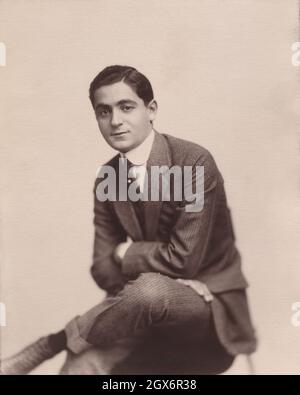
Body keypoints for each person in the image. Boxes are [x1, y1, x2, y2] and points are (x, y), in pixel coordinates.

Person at [0, 65, 256, 375]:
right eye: (103, 111)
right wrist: (163, 276)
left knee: (151, 289)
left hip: (208, 303)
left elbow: (185, 259)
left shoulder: (194, 162)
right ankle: (67, 348)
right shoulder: (108, 177)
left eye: (126, 107)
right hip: (140, 305)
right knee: (80, 366)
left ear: (151, 110)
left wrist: (127, 254)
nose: (115, 121)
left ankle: (51, 344)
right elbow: (102, 268)